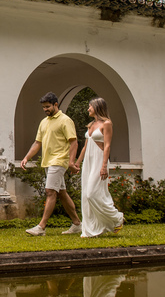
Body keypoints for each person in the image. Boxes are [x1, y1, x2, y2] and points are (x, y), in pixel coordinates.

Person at [19, 92, 82, 235]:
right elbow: (37, 143)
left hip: (59, 160)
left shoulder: (65, 120)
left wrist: (71, 162)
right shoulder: (44, 122)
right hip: (48, 161)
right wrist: (26, 157)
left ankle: (41, 227)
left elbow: (73, 142)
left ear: (56, 105)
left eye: (48, 107)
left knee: (50, 191)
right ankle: (77, 224)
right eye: (43, 107)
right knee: (62, 193)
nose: (45, 109)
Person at [73, 97, 124, 237]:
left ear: (97, 107)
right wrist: (78, 162)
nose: (88, 109)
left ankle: (117, 218)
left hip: (99, 161)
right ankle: (91, 229)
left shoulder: (107, 124)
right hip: (88, 163)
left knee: (92, 194)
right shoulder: (90, 125)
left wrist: (104, 166)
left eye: (90, 106)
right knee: (86, 195)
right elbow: (85, 147)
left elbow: (107, 145)